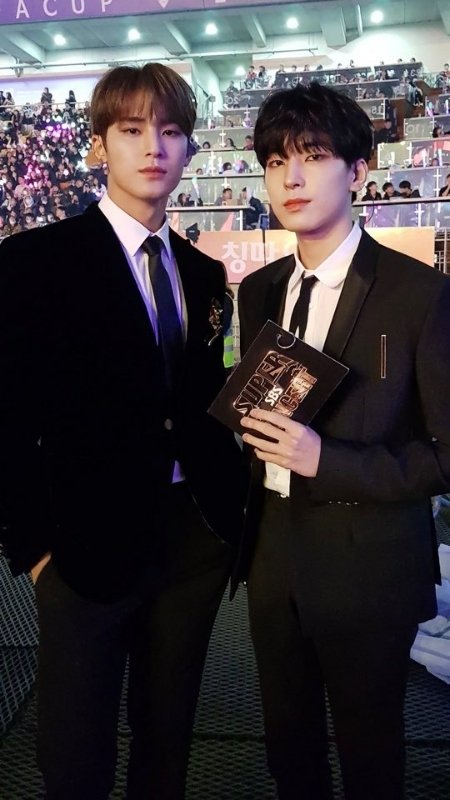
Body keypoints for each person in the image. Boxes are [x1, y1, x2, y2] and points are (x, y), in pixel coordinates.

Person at [0, 62, 244, 800]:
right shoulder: (34, 261)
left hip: (193, 539)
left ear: (190, 148)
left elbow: (199, 404)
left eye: (170, 131)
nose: (153, 147)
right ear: (99, 144)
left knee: (167, 742)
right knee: (75, 752)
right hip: (83, 542)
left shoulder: (201, 273)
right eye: (132, 129)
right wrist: (34, 548)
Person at [236, 82, 450, 800]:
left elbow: (445, 456)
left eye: (313, 156)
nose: (290, 178)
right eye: (275, 161)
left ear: (358, 171)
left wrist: (328, 461)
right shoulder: (260, 290)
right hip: (273, 556)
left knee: (370, 754)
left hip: (370, 566)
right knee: (287, 747)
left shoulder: (419, 294)